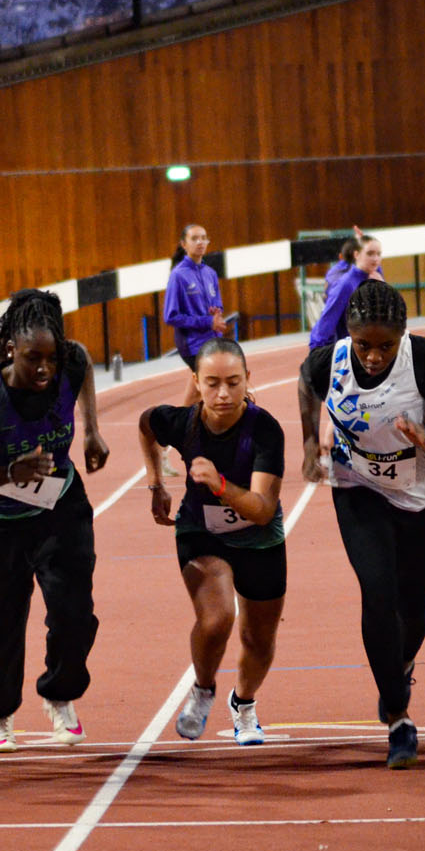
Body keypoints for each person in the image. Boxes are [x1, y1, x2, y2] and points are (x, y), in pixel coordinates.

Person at [299, 279, 425, 768]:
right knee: (377, 593)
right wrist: (311, 442)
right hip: (358, 488)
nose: (372, 356)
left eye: (385, 346)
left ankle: (401, 665)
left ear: (404, 336)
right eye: (363, 344)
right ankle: (399, 718)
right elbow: (305, 384)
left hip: (420, 492)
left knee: (416, 608)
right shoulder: (327, 361)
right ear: (348, 334)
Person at [0, 289, 110, 751]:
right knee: (0, 626)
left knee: (75, 613)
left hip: (59, 510)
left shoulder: (72, 362)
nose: (44, 369)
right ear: (9, 350)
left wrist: (94, 431)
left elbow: (81, 364)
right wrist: (10, 472)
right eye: (32, 359)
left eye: (51, 357)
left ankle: (60, 695)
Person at [138, 338, 287, 745]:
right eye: (213, 383)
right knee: (218, 616)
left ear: (247, 381)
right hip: (201, 532)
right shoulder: (182, 422)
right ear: (196, 383)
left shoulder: (265, 430)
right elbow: (146, 423)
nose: (223, 393)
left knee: (259, 639)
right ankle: (203, 689)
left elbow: (260, 508)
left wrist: (221, 485)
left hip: (259, 536)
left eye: (234, 383)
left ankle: (244, 704)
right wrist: (155, 481)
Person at [164, 224, 228, 405]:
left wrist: (217, 314)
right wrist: (207, 322)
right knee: (212, 385)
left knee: (197, 391)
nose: (200, 242)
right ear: (184, 244)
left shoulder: (210, 273)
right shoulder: (178, 276)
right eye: (194, 238)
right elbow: (171, 316)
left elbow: (217, 303)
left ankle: (182, 426)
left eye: (203, 238)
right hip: (192, 344)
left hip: (213, 339)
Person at [308, 234, 385, 350]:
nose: (375, 259)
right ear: (356, 255)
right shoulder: (346, 284)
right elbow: (328, 318)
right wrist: (317, 350)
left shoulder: (376, 277)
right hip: (352, 351)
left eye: (378, 254)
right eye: (370, 254)